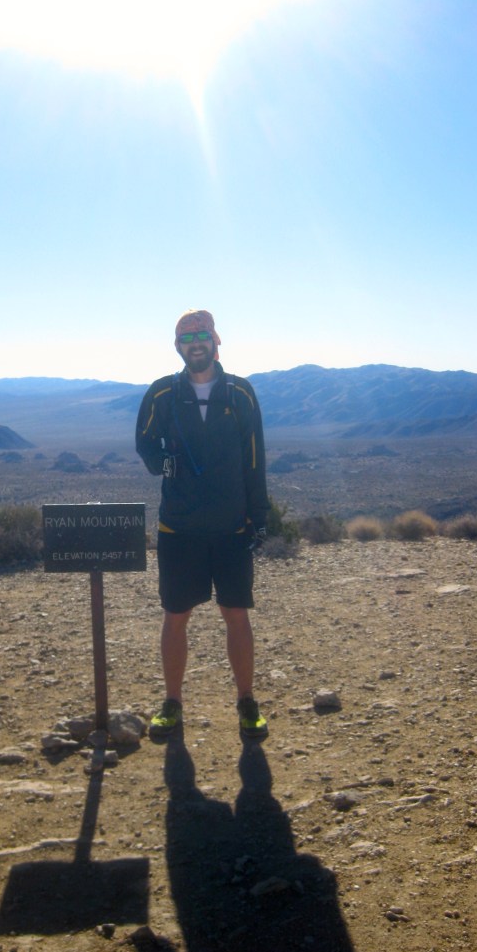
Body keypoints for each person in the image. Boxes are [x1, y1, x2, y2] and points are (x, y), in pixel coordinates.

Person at [135, 309, 270, 740]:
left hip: (231, 525)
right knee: (176, 615)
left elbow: (255, 458)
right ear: (178, 346)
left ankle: (246, 700)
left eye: (202, 335)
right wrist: (163, 463)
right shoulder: (161, 395)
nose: (196, 343)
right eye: (187, 337)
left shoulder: (240, 394)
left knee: (236, 613)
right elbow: (144, 441)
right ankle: (172, 702)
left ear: (216, 341)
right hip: (180, 527)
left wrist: (258, 517)